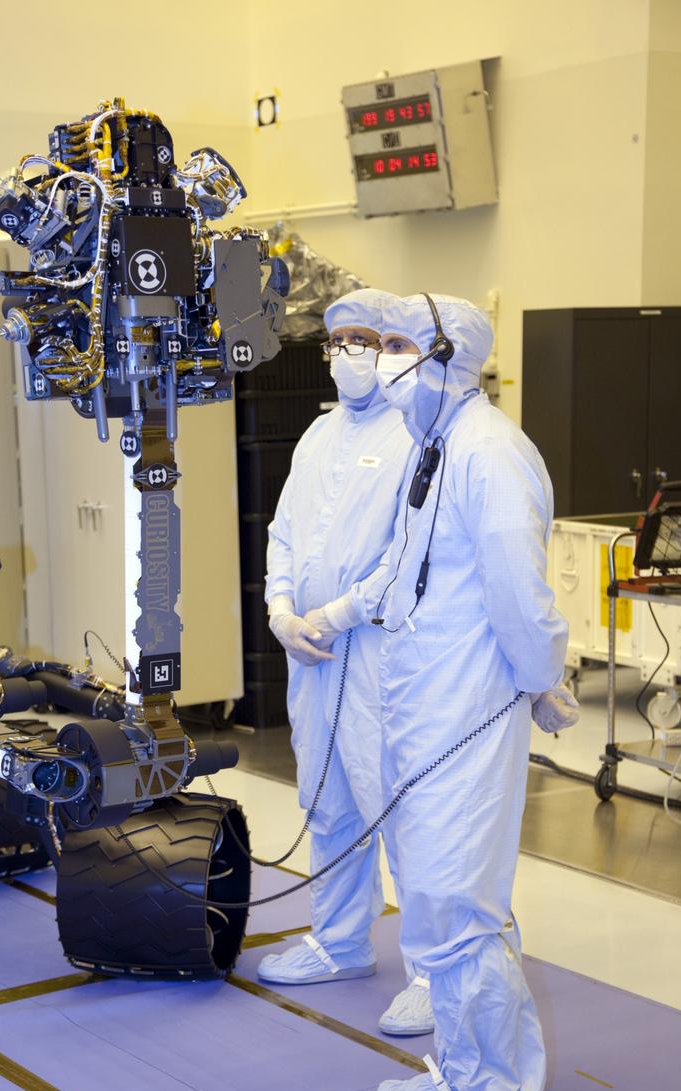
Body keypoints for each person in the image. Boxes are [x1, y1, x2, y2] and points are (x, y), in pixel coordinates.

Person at [304, 292, 578, 1091]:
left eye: (391, 344)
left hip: (465, 710)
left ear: (444, 354)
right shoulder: (435, 444)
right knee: (426, 900)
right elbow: (399, 568)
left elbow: (516, 592)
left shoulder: (491, 453)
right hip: (417, 705)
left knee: (458, 907)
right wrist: (327, 613)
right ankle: (460, 1073)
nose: (374, 359)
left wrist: (542, 680)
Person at [259, 288, 434, 1037]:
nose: (348, 354)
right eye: (337, 342)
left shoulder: (422, 435)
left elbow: (408, 556)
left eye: (366, 339)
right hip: (312, 656)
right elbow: (286, 532)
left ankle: (435, 975)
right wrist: (280, 612)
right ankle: (337, 941)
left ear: (399, 348)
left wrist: (332, 614)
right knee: (327, 800)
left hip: (378, 654)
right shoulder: (318, 435)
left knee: (399, 808)